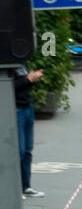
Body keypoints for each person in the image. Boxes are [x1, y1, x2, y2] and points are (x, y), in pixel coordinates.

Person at [12, 64, 45, 198]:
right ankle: (14, 188)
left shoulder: (20, 62)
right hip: (16, 108)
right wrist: (28, 79)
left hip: (27, 107)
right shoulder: (6, 61)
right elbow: (9, 86)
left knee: (27, 150)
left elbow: (23, 84)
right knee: (18, 150)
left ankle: (26, 186)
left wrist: (31, 78)